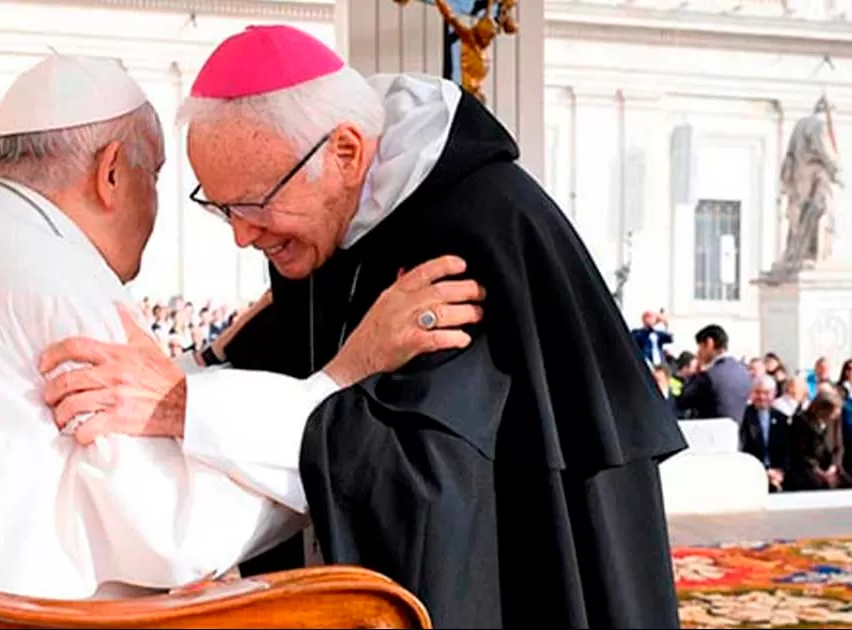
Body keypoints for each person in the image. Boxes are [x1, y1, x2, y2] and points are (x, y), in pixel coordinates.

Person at [0, 53, 483, 629]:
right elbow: (178, 535)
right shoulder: (52, 277)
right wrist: (343, 375)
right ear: (113, 172)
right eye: (155, 179)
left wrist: (203, 365)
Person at [39, 25, 686, 629]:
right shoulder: (328, 227)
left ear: (346, 151)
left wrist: (190, 407)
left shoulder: (469, 238)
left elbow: (426, 480)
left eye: (253, 205)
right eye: (220, 207)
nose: (241, 236)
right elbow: (296, 363)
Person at [675, 324, 751, 422]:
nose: (698, 352)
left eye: (700, 347)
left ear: (709, 343)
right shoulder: (744, 372)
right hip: (735, 434)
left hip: (710, 433)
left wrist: (696, 372)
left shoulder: (709, 376)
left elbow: (682, 401)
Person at [738, 374, 790, 492]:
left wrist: (780, 471)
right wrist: (765, 471)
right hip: (753, 472)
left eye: (766, 393)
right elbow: (743, 449)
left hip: (778, 474)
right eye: (757, 392)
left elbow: (786, 449)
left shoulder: (781, 418)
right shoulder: (743, 418)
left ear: (774, 394)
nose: (761, 397)